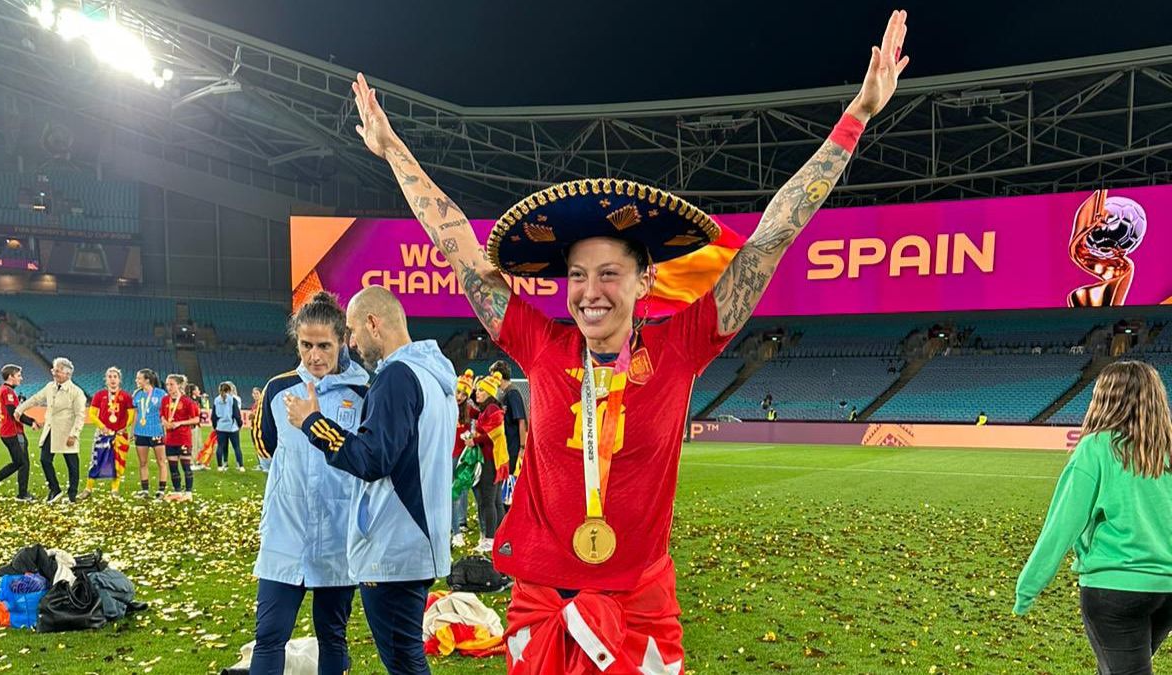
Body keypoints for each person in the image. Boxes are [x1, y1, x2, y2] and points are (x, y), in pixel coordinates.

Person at [346, 9, 907, 669]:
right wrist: (394, 152)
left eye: (609, 273)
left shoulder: (682, 346)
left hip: (637, 609)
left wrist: (858, 117)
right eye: (577, 275)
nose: (590, 291)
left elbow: (772, 237)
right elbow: (460, 247)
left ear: (643, 282)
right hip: (542, 605)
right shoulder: (540, 343)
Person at [285, 285, 456, 675]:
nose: (352, 342)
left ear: (373, 324)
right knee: (406, 657)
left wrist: (314, 423)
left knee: (404, 662)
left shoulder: (397, 375)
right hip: (419, 538)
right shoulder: (434, 376)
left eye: (352, 331)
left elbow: (372, 458)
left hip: (396, 543)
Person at [1014, 361, 1172, 674]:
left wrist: (1028, 588)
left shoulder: (1095, 448)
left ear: (1104, 399)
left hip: (1115, 590)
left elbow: (1061, 526)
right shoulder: (1165, 451)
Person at [250, 291, 370, 675]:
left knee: (332, 636)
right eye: (306, 345)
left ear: (342, 341)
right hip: (286, 534)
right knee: (269, 635)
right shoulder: (278, 391)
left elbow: (367, 458)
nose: (314, 355)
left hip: (338, 535)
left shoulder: (364, 393)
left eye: (324, 345)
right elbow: (267, 447)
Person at [16, 357, 87, 504]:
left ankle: (72, 494)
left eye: (58, 370)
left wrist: (74, 434)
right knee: (45, 460)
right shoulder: (50, 386)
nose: (54, 372)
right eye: (54, 369)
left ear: (67, 374)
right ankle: (55, 489)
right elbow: (35, 399)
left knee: (72, 464)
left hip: (67, 432)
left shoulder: (76, 392)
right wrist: (20, 409)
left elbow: (80, 415)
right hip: (51, 430)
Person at [0, 365, 39, 501]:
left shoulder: (7, 391)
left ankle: (22, 493)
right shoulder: (7, 392)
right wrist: (31, 421)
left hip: (12, 432)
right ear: (11, 377)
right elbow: (14, 413)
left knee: (23, 462)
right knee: (20, 462)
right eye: (19, 375)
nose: (21, 378)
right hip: (12, 433)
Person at [469, 372, 509, 553]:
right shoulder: (488, 409)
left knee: (488, 501)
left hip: (491, 460)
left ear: (490, 393)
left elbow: (494, 435)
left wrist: (474, 440)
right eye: (477, 391)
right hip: (494, 459)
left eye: (481, 391)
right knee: (495, 501)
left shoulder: (492, 410)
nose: (477, 394)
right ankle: (501, 535)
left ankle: (490, 538)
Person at [81, 367, 136, 499]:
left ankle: (115, 490)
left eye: (115, 377)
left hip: (120, 435)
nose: (112, 379)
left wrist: (124, 427)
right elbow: (92, 414)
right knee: (96, 460)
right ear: (106, 379)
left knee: (118, 462)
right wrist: (102, 426)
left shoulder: (126, 396)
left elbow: (131, 415)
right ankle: (88, 489)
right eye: (110, 377)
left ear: (119, 379)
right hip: (102, 434)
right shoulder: (99, 395)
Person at [161, 374, 200, 501]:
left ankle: (188, 493)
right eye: (167, 384)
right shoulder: (165, 400)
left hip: (183, 438)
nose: (169, 387)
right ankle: (177, 492)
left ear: (178, 385)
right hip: (170, 439)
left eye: (171, 384)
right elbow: (162, 415)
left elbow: (196, 419)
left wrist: (180, 423)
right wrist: (165, 422)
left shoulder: (187, 401)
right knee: (173, 467)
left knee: (185, 466)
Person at [132, 369, 169, 498]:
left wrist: (165, 430)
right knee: (142, 462)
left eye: (139, 378)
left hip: (156, 431)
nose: (136, 380)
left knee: (161, 461)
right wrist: (133, 431)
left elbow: (166, 413)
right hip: (141, 432)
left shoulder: (161, 394)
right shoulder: (137, 394)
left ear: (147, 380)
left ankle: (161, 490)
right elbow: (136, 414)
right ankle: (145, 490)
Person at [451, 369, 476, 547]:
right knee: (451, 492)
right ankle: (454, 528)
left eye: (463, 394)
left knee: (463, 488)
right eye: (458, 391)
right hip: (448, 455)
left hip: (462, 456)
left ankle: (461, 521)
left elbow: (484, 415)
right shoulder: (446, 405)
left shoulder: (468, 409)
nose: (459, 396)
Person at [491, 359, 528, 476]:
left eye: (492, 376)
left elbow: (521, 421)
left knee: (510, 480)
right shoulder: (505, 393)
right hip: (507, 445)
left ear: (499, 376)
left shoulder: (513, 393)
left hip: (513, 447)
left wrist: (522, 447)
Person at [212, 381, 245, 472]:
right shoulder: (233, 399)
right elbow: (236, 414)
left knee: (221, 446)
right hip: (232, 427)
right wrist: (239, 424)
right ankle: (240, 465)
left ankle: (222, 465)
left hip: (221, 427)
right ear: (230, 390)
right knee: (236, 447)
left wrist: (215, 425)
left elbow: (213, 415)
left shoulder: (216, 400)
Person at [251, 386, 272, 472]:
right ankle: (261, 464)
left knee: (262, 446)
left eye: (257, 393)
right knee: (257, 446)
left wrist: (254, 415)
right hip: (254, 427)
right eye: (254, 393)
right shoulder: (254, 405)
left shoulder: (263, 404)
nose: (255, 395)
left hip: (261, 428)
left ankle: (266, 465)